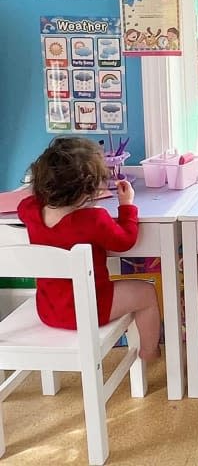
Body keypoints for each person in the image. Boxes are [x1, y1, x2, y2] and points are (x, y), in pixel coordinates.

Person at [17, 137, 161, 360]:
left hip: (49, 310)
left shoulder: (30, 211)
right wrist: (127, 206)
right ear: (88, 191)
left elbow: (25, 205)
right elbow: (125, 241)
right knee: (146, 293)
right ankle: (149, 352)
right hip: (91, 308)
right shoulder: (94, 219)